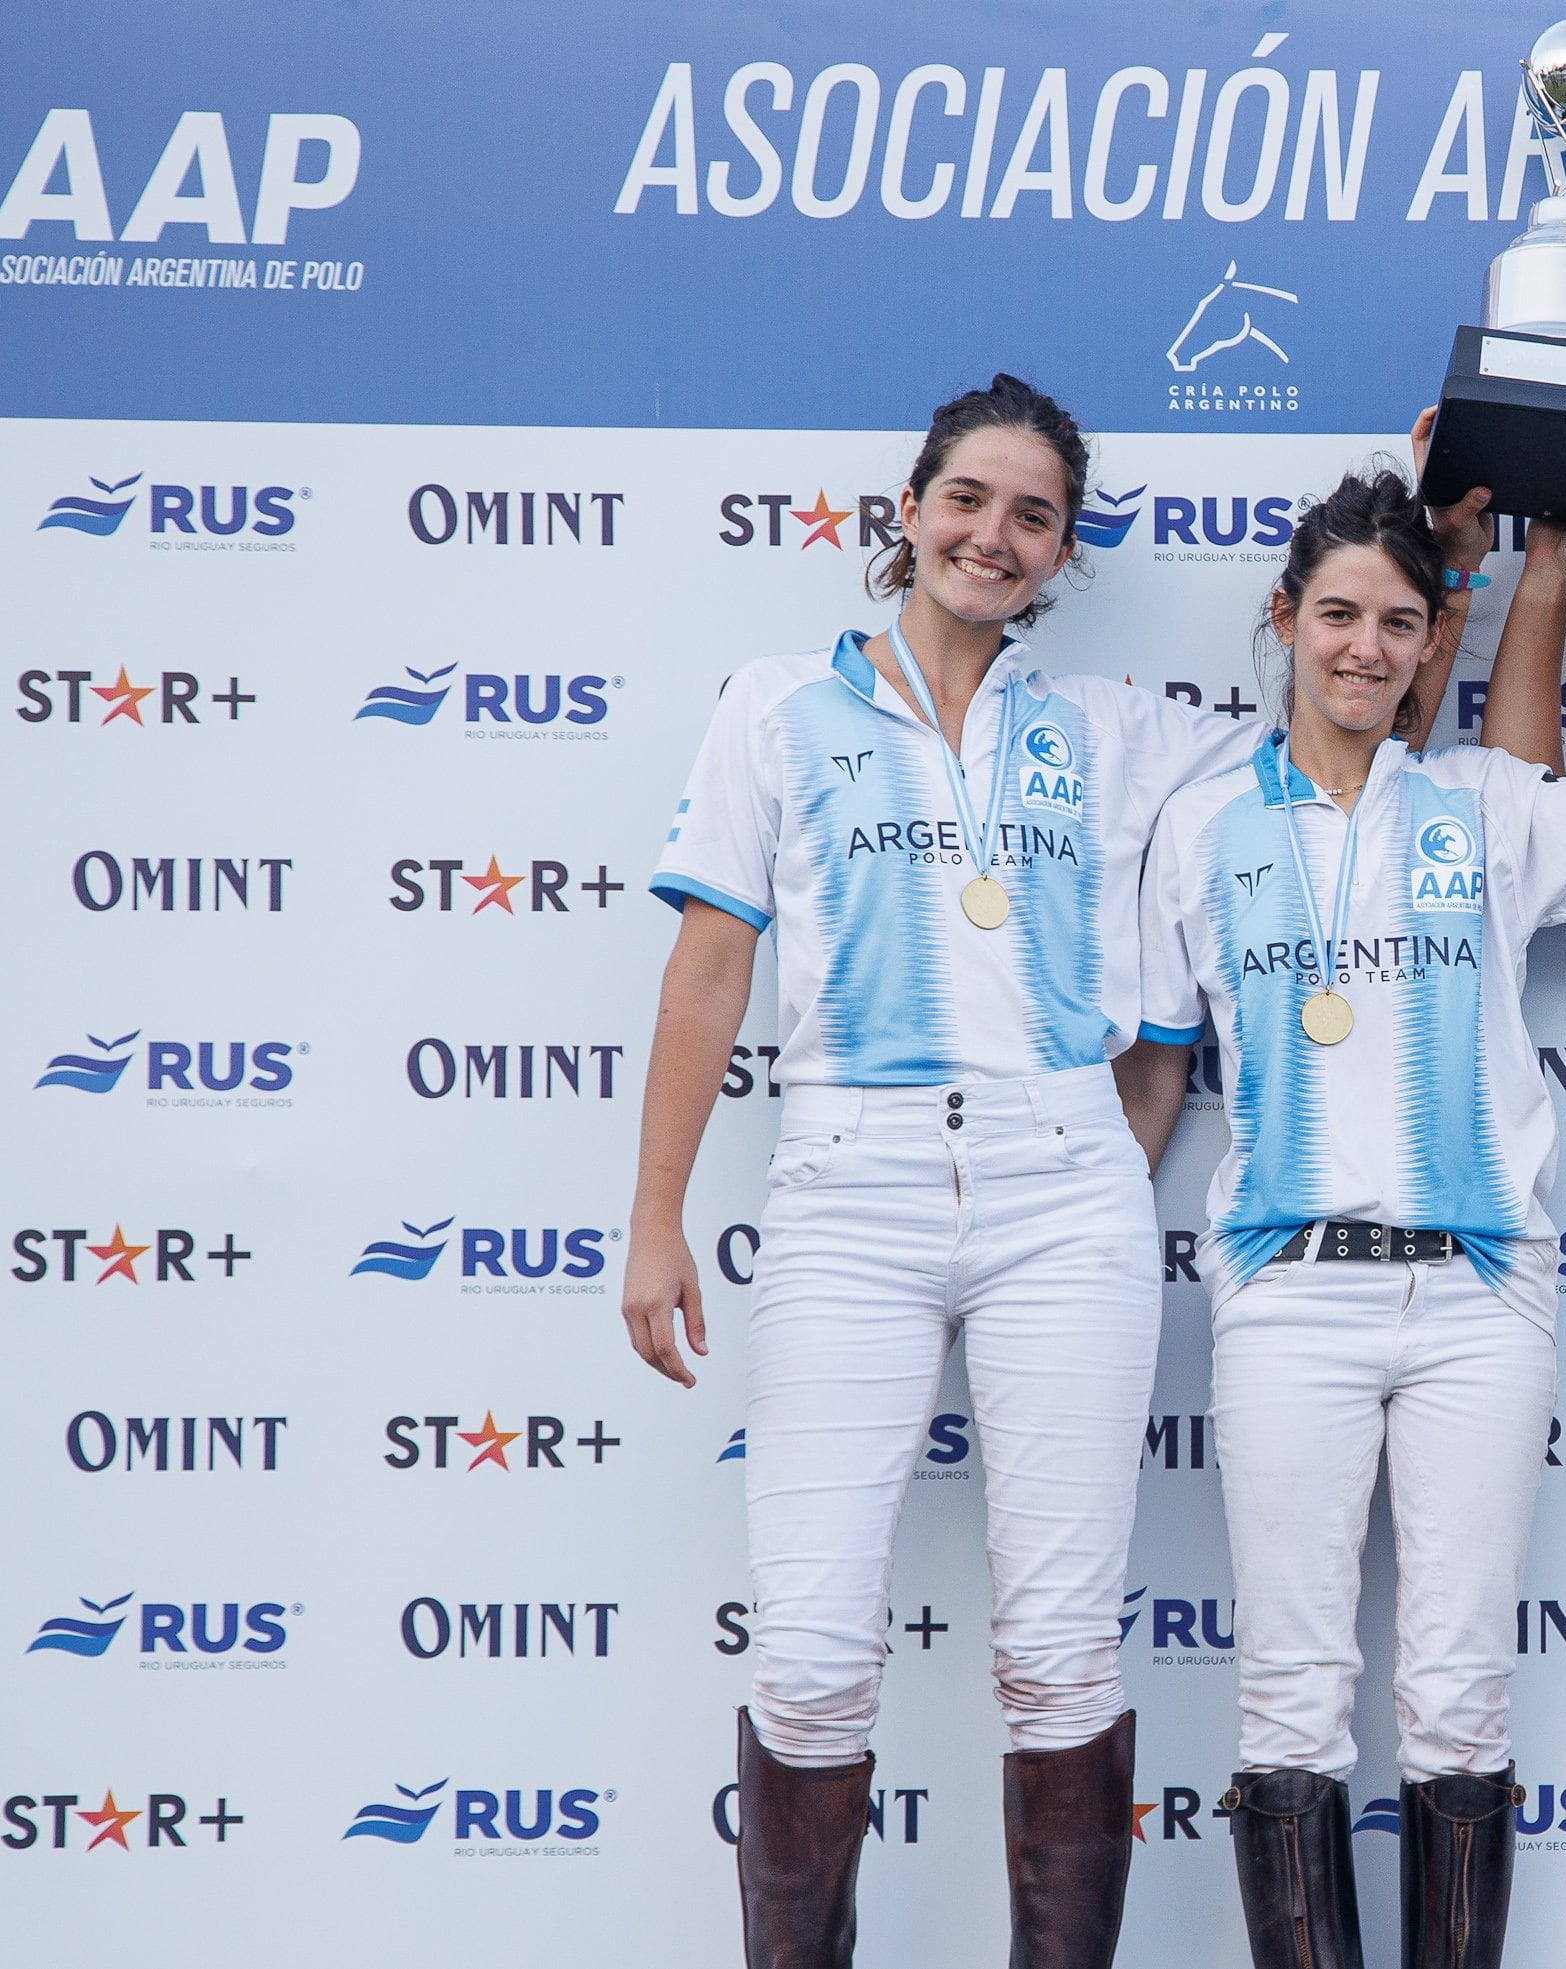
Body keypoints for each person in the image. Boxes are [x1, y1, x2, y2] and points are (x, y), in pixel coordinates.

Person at [617, 376, 1445, 1969]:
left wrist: (1440, 534)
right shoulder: (777, 706)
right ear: (909, 511)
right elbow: (710, 967)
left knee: (1063, 1657)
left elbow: (1349, 710)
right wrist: (655, 1217)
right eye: (971, 501)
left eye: (1034, 516)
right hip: (845, 1188)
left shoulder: (1112, 730)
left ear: (1064, 554)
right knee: (804, 1663)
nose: (995, 536)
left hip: (1064, 1194)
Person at [1118, 470, 1566, 1969]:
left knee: (1460, 1695)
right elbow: (1147, 1069)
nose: (1365, 646)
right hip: (1287, 1290)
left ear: (1421, 641)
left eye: (1398, 621)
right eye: (1337, 613)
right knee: (1290, 1694)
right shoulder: (1194, 828)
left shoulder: (1483, 803)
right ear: (1283, 620)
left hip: (1476, 1298)